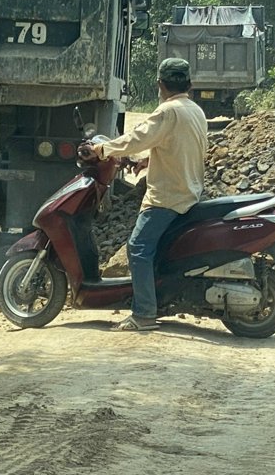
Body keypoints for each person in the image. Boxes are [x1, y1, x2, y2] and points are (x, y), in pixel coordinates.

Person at [79, 58, 207, 331]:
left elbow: (136, 138)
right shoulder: (194, 110)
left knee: (137, 248)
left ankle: (145, 313)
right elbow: (179, 146)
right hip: (189, 190)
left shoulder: (167, 112)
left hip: (168, 197)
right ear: (190, 85)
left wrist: (101, 150)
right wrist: (149, 161)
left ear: (160, 85)